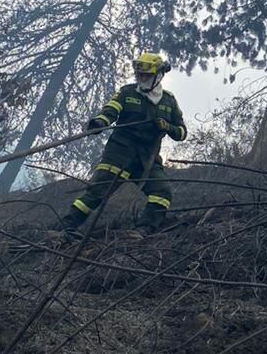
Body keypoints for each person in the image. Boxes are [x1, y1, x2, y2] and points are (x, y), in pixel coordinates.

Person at [61, 52, 187, 237]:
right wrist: (99, 123)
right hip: (120, 152)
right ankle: (67, 227)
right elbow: (111, 109)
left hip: (147, 158)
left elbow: (182, 132)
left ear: (159, 75)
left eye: (147, 75)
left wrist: (167, 126)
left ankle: (144, 229)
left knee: (162, 192)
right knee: (98, 191)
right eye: (140, 75)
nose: (142, 79)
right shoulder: (127, 92)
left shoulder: (169, 101)